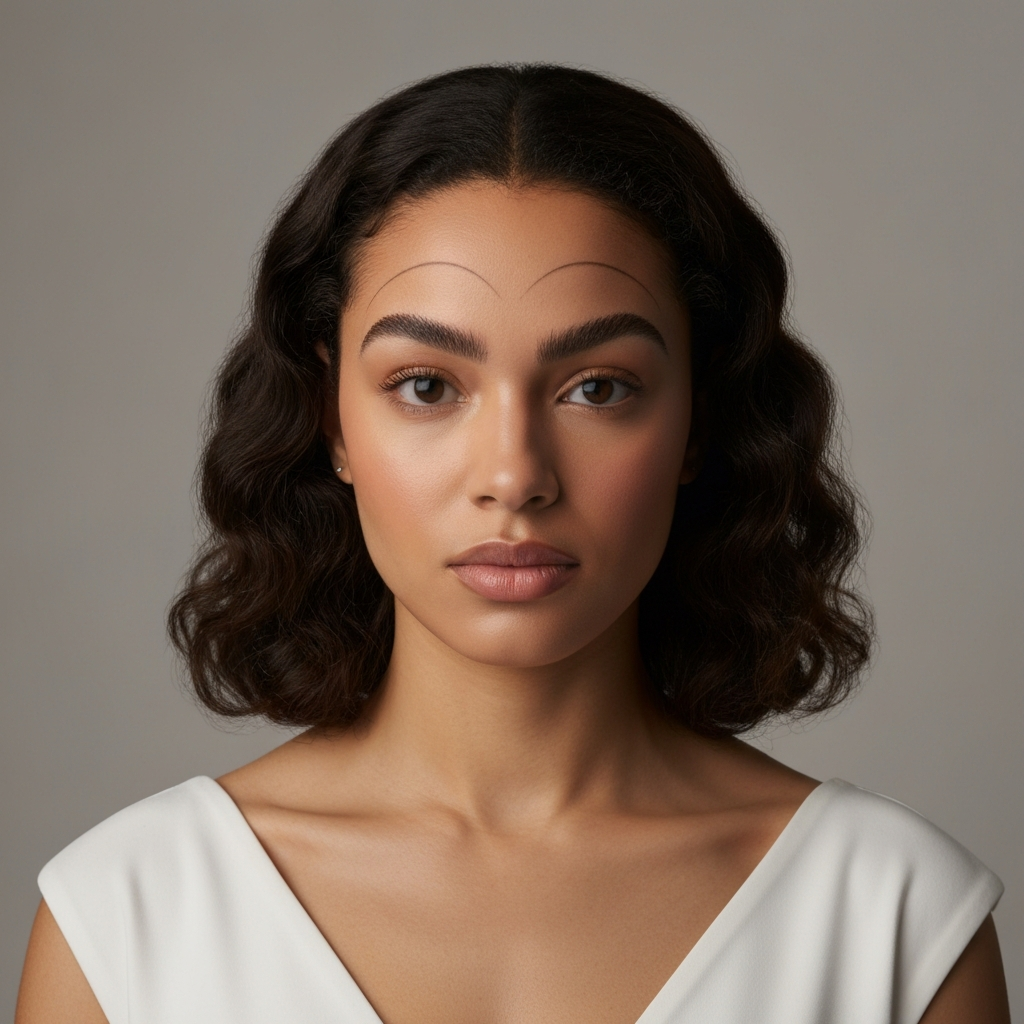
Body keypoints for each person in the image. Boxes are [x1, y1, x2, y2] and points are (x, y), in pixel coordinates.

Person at [16, 64, 1009, 1024]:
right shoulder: (129, 915)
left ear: (698, 423)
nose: (515, 473)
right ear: (331, 421)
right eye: (426, 385)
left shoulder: (894, 920)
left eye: (598, 387)